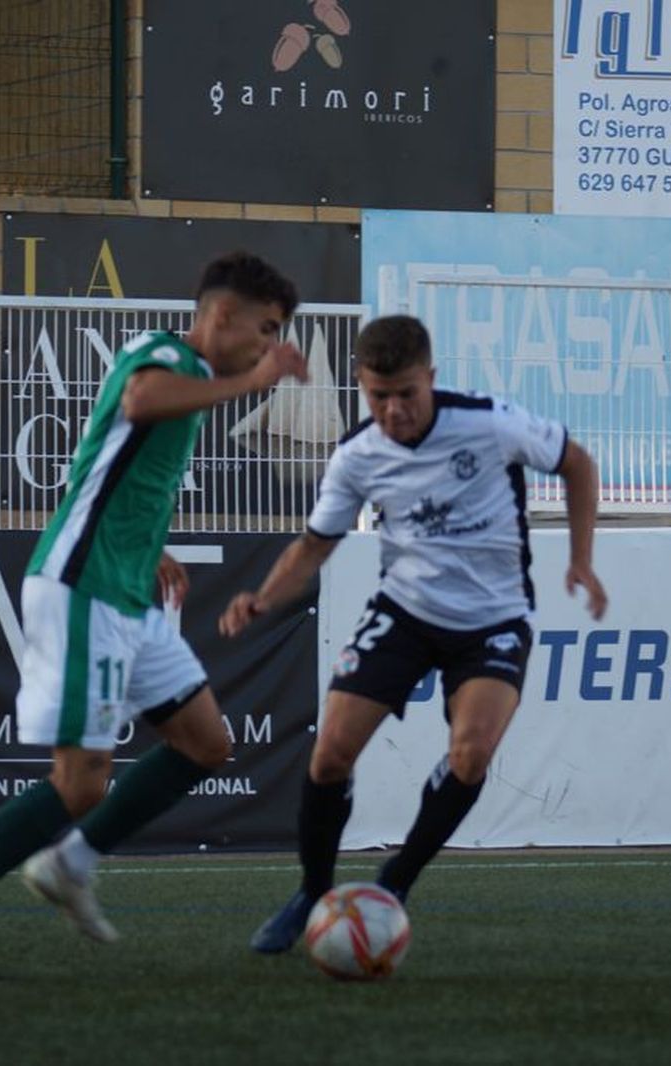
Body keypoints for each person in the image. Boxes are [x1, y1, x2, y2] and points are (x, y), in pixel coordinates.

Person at [0, 251, 307, 979]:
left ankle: (69, 863)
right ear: (223, 315)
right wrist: (255, 381)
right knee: (80, 782)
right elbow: (141, 402)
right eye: (265, 330)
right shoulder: (165, 353)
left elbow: (112, 468)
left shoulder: (194, 374)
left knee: (206, 742)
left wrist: (152, 549)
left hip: (126, 587)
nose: (268, 347)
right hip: (82, 586)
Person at [220, 313, 608, 954]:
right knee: (329, 755)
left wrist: (582, 558)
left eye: (407, 393)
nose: (394, 410)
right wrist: (261, 599)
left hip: (493, 619)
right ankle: (312, 894)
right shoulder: (356, 455)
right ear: (360, 386)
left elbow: (577, 463)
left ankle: (394, 884)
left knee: (471, 754)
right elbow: (316, 544)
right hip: (403, 614)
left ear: (430, 378)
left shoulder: (488, 423)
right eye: (379, 396)